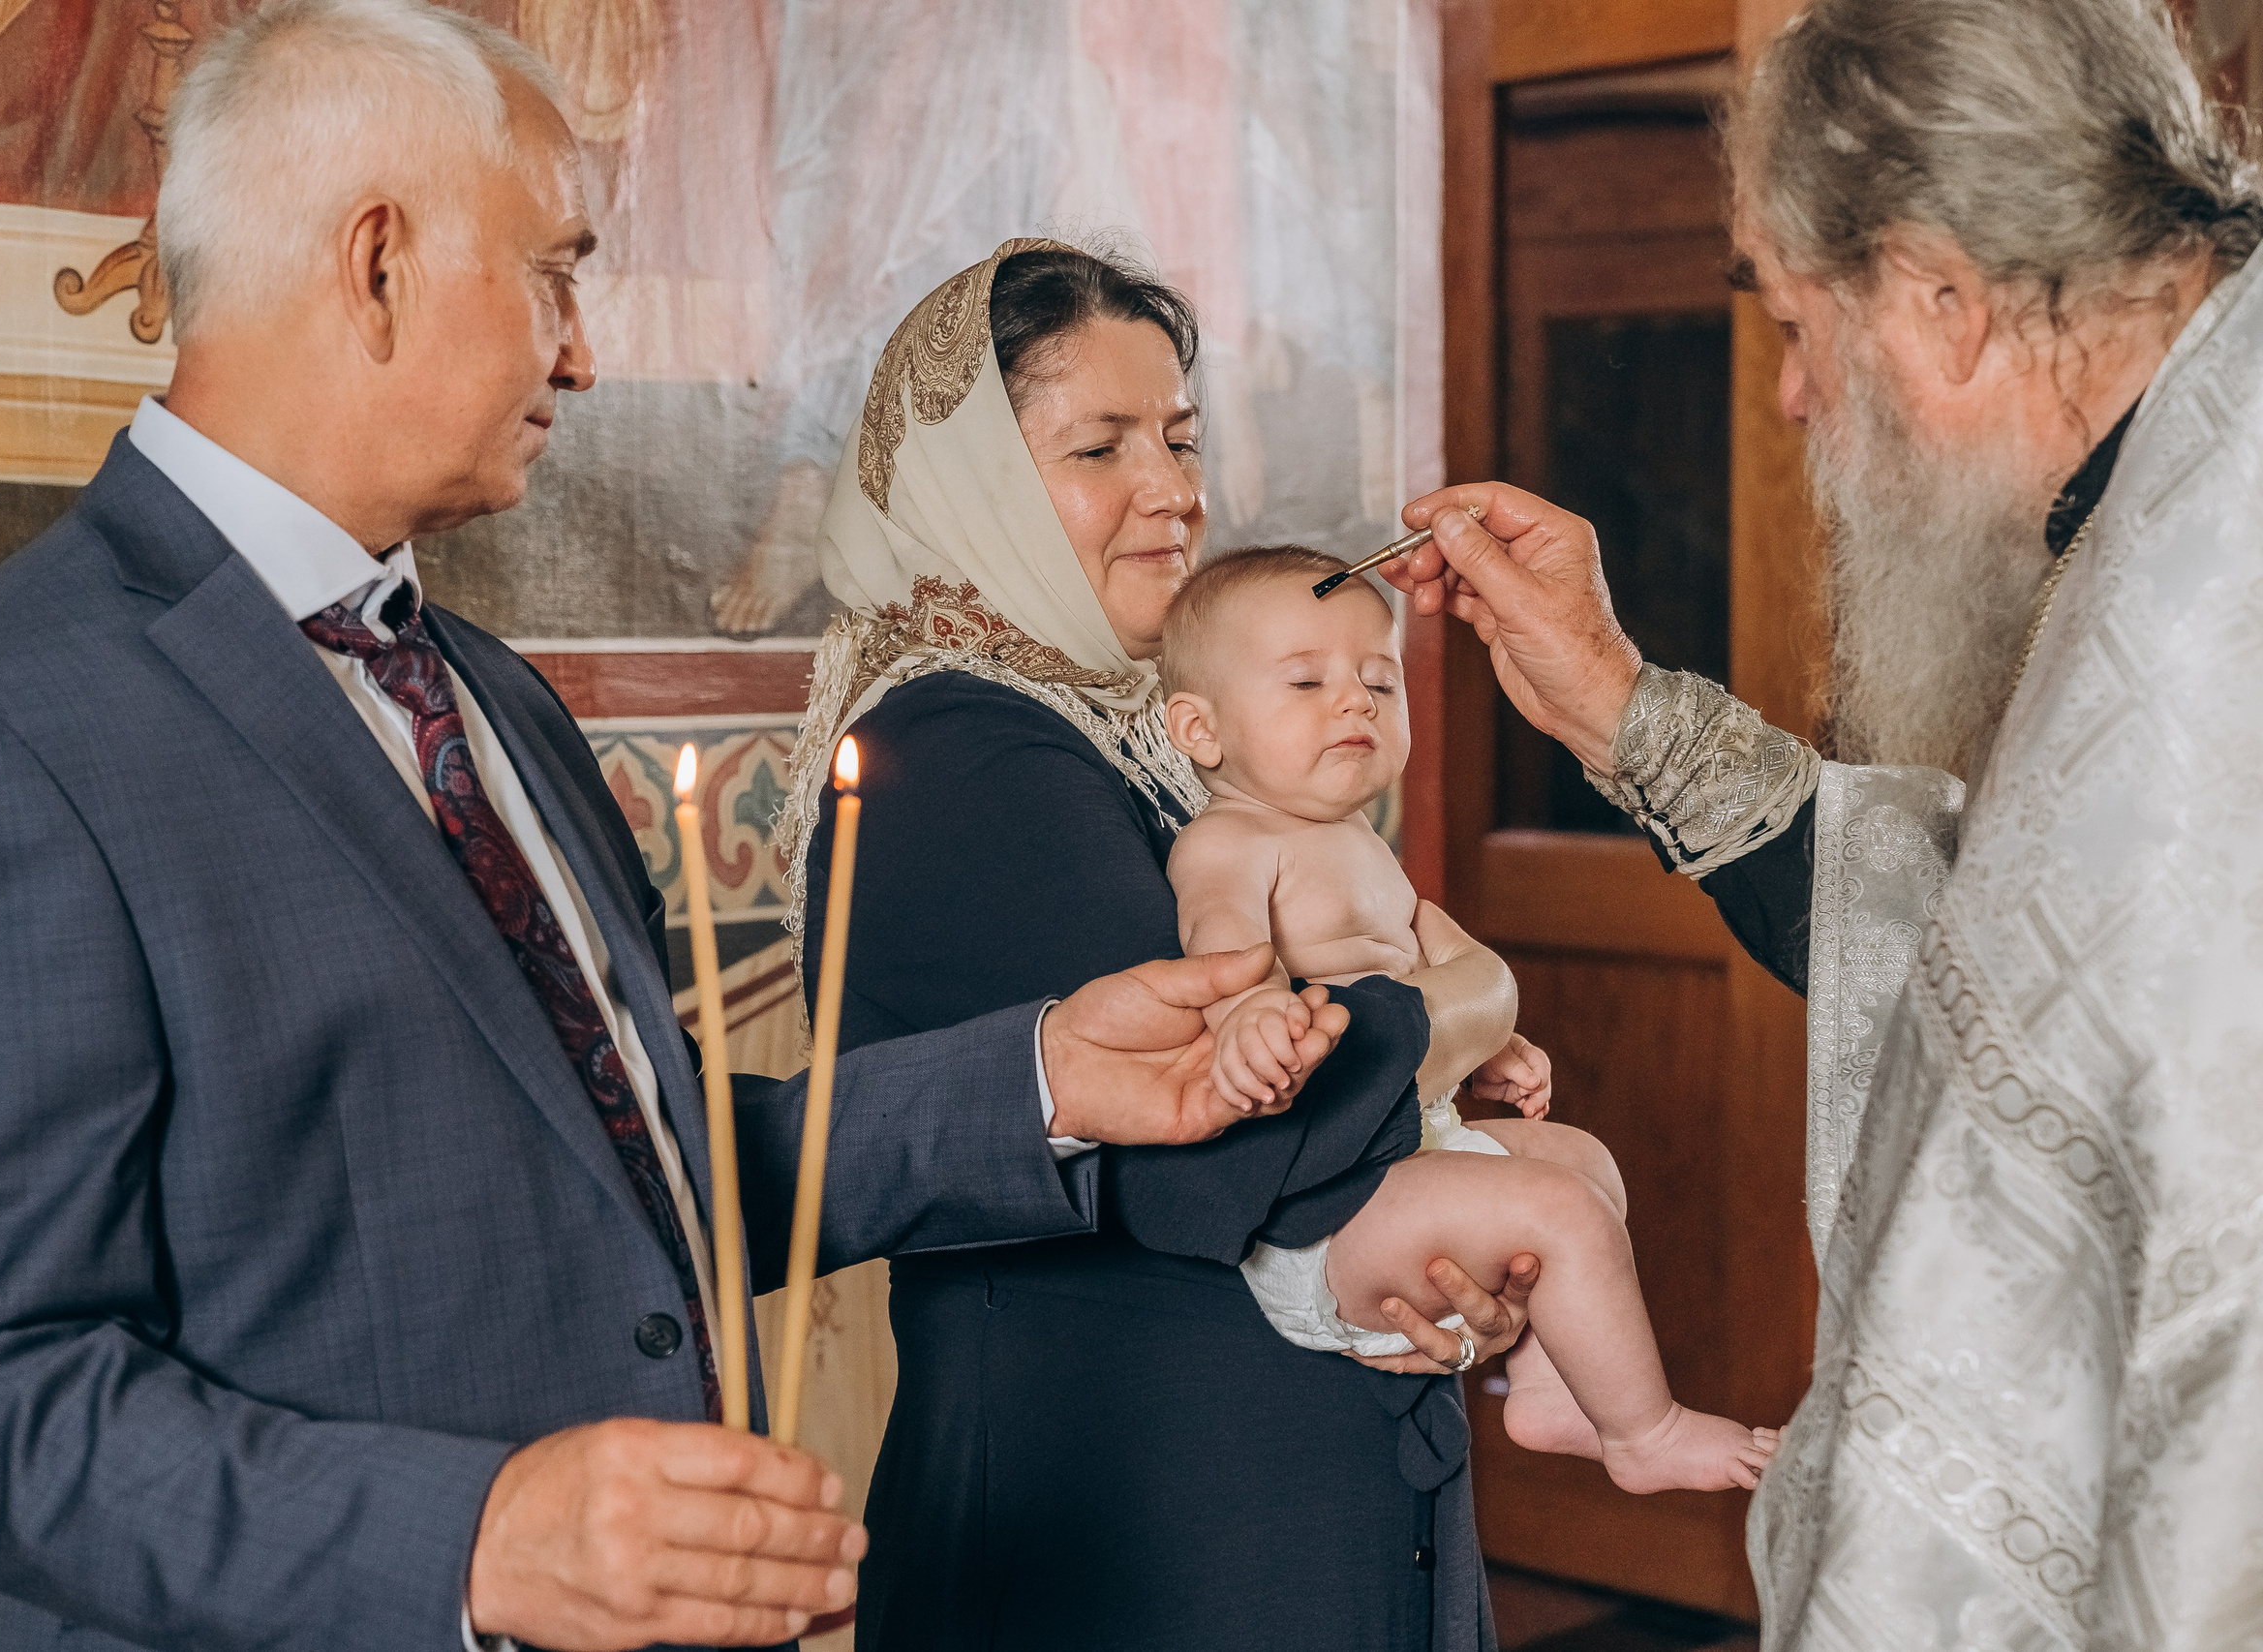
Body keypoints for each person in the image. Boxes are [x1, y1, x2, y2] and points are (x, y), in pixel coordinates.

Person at [0, 8, 1354, 1652]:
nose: (585, 354)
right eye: (555, 276)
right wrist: (476, 1541)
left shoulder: (486, 695)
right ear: (378, 265)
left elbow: (612, 1174)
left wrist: (1039, 1080)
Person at [1380, 0, 2263, 1645]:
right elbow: (2001, 948)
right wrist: (1621, 707)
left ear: (1941, 296)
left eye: (1798, 323)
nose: (1789, 394)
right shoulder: (2184, 487)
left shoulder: (2212, 594)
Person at [782, 240, 1539, 1652]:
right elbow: (1247, 1132)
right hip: (1135, 1532)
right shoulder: (958, 752)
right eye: (1101, 447)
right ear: (975, 484)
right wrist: (1476, 997)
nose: (1172, 488)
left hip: (1237, 1490)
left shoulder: (1140, 731)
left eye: (1180, 439)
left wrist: (1459, 1260)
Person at [1159, 545, 1782, 1493]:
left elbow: (1428, 969)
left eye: (1379, 680)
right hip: (1325, 1214)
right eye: (1307, 681)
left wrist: (1494, 1043)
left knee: (1581, 1163)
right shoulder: (1228, 843)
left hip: (1409, 1156)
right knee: (1559, 1211)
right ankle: (1643, 1432)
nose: (1355, 701)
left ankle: (1548, 1389)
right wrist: (1248, 1015)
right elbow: (1220, 950)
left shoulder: (1356, 840)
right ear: (1199, 728)